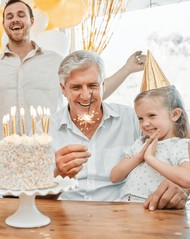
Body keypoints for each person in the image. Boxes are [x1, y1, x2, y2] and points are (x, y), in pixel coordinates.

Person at [0, 0, 145, 143]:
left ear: (31, 21)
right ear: (4, 24)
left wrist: (127, 69)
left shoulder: (56, 61)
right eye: (9, 16)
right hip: (5, 156)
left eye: (21, 15)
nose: (15, 19)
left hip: (53, 154)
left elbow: (89, 95)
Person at [51, 50, 189, 210]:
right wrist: (58, 175)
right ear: (63, 89)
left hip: (123, 215)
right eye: (76, 87)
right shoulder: (47, 129)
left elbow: (175, 147)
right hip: (66, 215)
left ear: (103, 86)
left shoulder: (134, 119)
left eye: (92, 86)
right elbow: (36, 193)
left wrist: (182, 187)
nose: (85, 95)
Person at [110, 86, 190, 202]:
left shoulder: (179, 146)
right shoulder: (140, 143)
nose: (145, 123)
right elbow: (115, 177)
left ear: (175, 114)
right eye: (140, 118)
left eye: (151, 115)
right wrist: (139, 156)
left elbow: (187, 178)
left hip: (155, 210)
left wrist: (150, 159)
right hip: (125, 206)